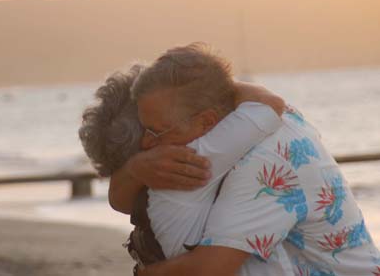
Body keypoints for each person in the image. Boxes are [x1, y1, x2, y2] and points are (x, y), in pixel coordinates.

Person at [108, 43, 380, 276]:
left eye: (156, 131)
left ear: (206, 122)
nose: (146, 143)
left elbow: (209, 269)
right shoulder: (237, 127)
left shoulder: (263, 156)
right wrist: (135, 168)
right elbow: (121, 201)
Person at [79, 48, 289, 275]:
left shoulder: (199, 156)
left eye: (156, 131)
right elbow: (269, 103)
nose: (151, 143)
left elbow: (119, 201)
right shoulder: (189, 159)